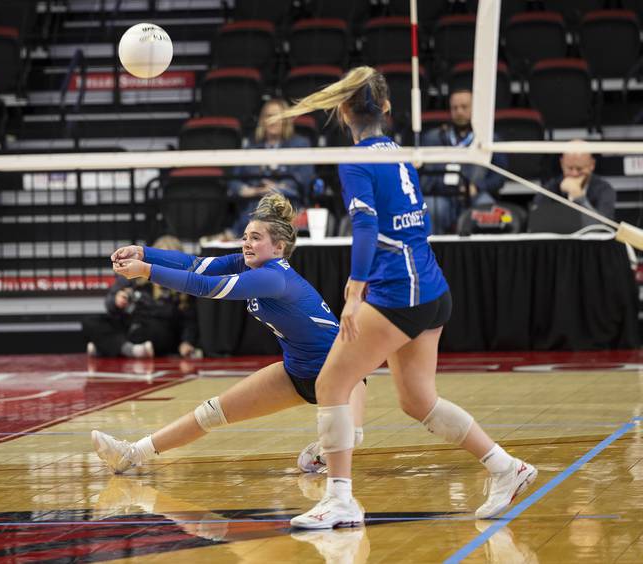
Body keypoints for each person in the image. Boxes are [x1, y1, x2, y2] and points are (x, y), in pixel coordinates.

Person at [269, 67, 537, 529]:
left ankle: (340, 500)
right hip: (431, 286)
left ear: (341, 109)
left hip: (400, 292)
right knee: (417, 401)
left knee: (332, 384)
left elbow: (367, 225)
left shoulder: (356, 159)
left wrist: (355, 290)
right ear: (386, 109)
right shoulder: (399, 153)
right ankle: (504, 466)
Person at [91, 193, 366, 475]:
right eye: (245, 236)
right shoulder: (249, 263)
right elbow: (194, 265)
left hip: (340, 371)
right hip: (298, 371)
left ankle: (329, 452)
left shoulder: (273, 276)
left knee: (346, 441)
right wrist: (144, 252)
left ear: (278, 247)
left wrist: (147, 271)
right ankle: (131, 454)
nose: (247, 243)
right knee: (210, 413)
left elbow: (203, 286)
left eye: (256, 238)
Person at [82, 235, 200, 359]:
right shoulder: (137, 274)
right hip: (130, 323)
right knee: (91, 322)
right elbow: (110, 303)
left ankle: (109, 347)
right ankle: (128, 349)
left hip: (157, 330)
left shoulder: (183, 285)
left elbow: (189, 320)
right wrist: (116, 300)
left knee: (157, 332)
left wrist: (187, 342)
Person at [419, 89, 508, 234]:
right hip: (441, 195)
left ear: (475, 109)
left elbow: (500, 177)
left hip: (475, 194)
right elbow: (422, 174)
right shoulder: (433, 138)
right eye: (455, 108)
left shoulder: (490, 140)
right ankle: (435, 253)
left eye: (464, 107)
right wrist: (435, 186)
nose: (459, 112)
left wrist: (478, 187)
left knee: (486, 207)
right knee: (431, 208)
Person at [226, 99, 314, 237]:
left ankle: (234, 234)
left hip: (287, 206)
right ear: (262, 121)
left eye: (278, 116)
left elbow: (304, 179)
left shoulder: (300, 144)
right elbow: (233, 180)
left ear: (286, 120)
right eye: (268, 116)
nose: (273, 120)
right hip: (253, 206)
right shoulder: (251, 146)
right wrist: (249, 190)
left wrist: (276, 189)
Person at [532, 140, 616, 223]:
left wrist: (579, 197)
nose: (574, 173)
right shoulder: (549, 189)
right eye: (569, 168)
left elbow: (603, 226)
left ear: (592, 165)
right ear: (562, 164)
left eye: (580, 169)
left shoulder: (604, 189)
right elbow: (538, 222)